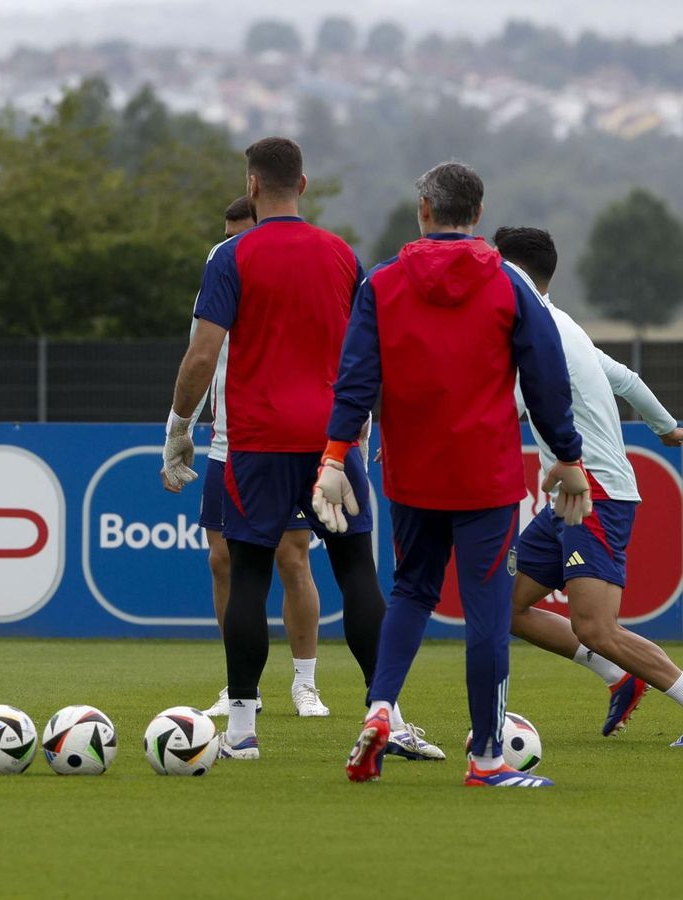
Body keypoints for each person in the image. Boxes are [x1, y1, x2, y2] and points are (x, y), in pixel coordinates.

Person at [318, 164, 592, 788]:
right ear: (479, 212)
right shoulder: (510, 284)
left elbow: (355, 378)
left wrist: (334, 456)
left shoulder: (382, 281)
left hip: (412, 472)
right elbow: (547, 379)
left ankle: (381, 708)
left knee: (411, 591)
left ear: (423, 209)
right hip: (484, 476)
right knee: (487, 611)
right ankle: (487, 759)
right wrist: (569, 456)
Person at [161, 138, 405, 761]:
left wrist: (179, 427)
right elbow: (371, 349)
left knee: (247, 574)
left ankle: (242, 730)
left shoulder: (231, 256)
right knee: (356, 572)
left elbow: (202, 354)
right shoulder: (342, 255)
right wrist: (375, 422)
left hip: (257, 442)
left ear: (252, 186)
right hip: (333, 442)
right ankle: (388, 716)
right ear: (303, 184)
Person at [493, 226, 683, 741]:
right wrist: (667, 428)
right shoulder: (563, 324)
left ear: (508, 272)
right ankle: (619, 675)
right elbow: (626, 379)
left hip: (595, 493)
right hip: (568, 498)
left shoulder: (534, 332)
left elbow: (505, 407)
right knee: (506, 606)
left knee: (596, 627)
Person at [178, 196, 329, 719]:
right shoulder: (220, 273)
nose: (231, 245)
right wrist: (181, 428)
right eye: (228, 237)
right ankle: (241, 685)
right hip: (228, 442)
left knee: (291, 556)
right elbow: (199, 358)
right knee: (222, 560)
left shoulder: (295, 278)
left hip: (284, 439)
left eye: (240, 235)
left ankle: (305, 682)